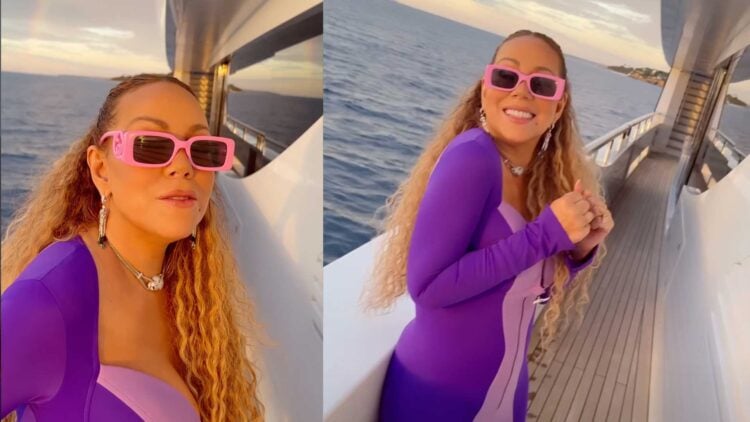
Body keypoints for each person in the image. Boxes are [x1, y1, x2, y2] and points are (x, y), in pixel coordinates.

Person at [366, 30, 615, 421]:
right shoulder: (472, 158)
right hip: (436, 397)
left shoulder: (542, 180)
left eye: (541, 84)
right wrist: (545, 234)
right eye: (506, 76)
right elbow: (427, 287)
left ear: (559, 104)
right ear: (486, 88)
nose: (521, 91)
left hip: (506, 393)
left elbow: (526, 285)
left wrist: (579, 250)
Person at [1, 74, 264, 421]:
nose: (183, 166)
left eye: (202, 150)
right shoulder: (46, 302)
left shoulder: (190, 286)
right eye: (151, 146)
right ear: (101, 169)